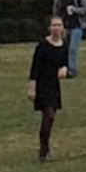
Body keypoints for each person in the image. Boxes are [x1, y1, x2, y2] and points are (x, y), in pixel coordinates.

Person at [27, 14, 69, 161]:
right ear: (49, 28)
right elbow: (34, 68)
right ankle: (43, 150)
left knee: (50, 119)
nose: (57, 28)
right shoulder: (42, 45)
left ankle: (44, 148)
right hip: (42, 84)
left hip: (54, 86)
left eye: (59, 25)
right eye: (54, 25)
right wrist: (32, 88)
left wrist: (65, 69)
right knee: (48, 116)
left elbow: (65, 63)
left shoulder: (64, 45)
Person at [51, 0, 86, 78]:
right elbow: (56, 13)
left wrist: (75, 10)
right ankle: (63, 68)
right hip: (64, 28)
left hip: (76, 26)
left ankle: (72, 70)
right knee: (63, 49)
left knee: (72, 48)